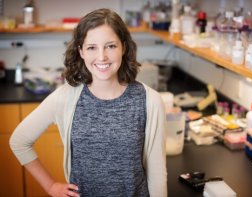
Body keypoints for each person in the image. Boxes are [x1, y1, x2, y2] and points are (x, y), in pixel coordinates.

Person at [10, 8, 167, 197]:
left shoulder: (150, 101)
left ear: (123, 48)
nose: (102, 57)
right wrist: (50, 186)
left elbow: (157, 175)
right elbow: (19, 141)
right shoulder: (65, 97)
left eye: (110, 46)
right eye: (92, 47)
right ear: (81, 51)